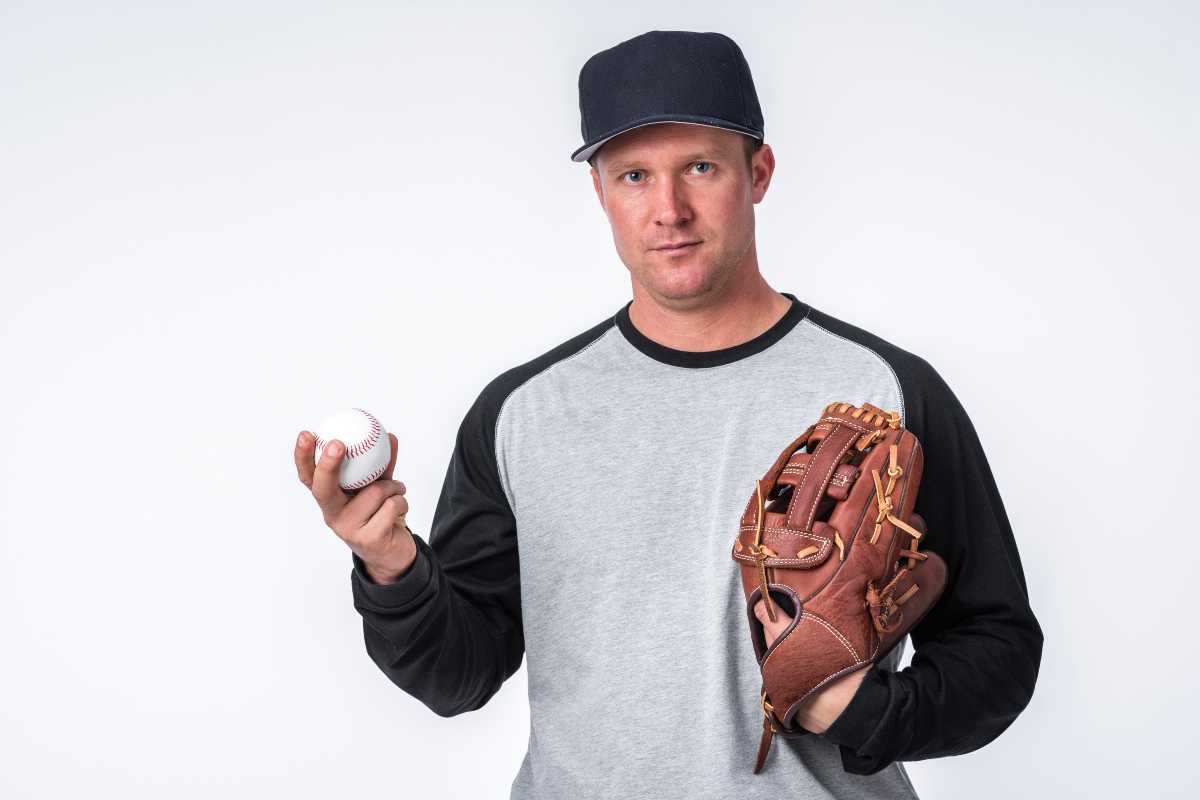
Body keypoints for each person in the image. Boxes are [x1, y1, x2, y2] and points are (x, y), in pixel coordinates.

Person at [293, 30, 1043, 800]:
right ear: (600, 193)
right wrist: (392, 568)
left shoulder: (888, 390)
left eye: (700, 168)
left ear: (759, 173)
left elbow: (1000, 646)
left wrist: (867, 711)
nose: (668, 210)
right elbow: (460, 675)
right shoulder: (520, 414)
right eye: (634, 176)